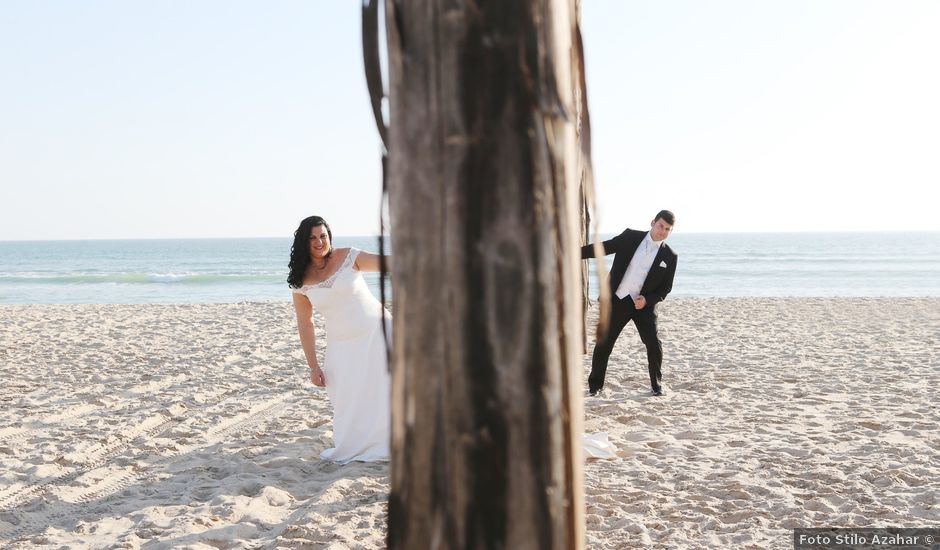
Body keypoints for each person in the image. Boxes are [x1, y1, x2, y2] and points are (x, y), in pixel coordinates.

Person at [288, 215, 391, 463]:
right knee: (349, 398)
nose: (319, 241)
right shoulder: (300, 281)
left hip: (377, 332)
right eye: (312, 237)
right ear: (304, 242)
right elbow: (306, 324)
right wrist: (313, 366)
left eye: (323, 235)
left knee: (388, 388)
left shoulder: (348, 257)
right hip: (341, 345)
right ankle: (361, 444)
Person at [581, 210, 677, 397]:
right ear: (652, 222)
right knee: (604, 344)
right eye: (660, 226)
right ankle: (595, 387)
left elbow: (666, 289)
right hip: (618, 299)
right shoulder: (630, 237)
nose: (662, 231)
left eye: (667, 229)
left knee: (653, 344)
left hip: (644, 306)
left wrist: (648, 300)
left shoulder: (670, 257)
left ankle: (656, 386)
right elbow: (603, 248)